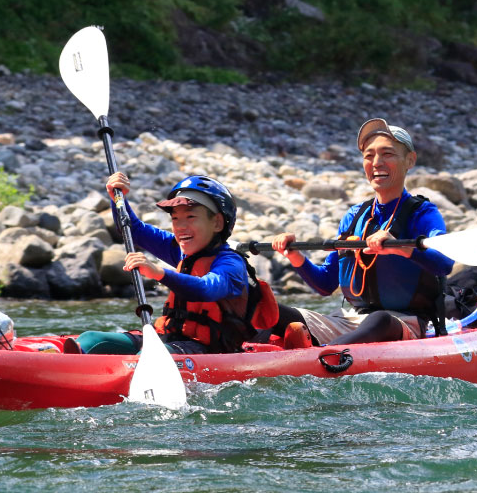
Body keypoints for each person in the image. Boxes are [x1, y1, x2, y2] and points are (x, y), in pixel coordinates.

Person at [271, 118, 454, 345]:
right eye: (369, 156)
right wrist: (295, 257)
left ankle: (323, 353)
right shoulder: (354, 216)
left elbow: (445, 263)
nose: (377, 162)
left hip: (405, 324)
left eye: (387, 154)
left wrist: (403, 248)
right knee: (274, 312)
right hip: (351, 322)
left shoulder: (423, 213)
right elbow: (326, 284)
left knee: (380, 320)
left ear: (410, 160)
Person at [67, 172, 269, 355]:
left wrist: (159, 273)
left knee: (149, 358)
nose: (180, 226)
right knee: (90, 339)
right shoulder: (180, 250)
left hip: (209, 349)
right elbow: (132, 230)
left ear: (217, 222)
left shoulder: (231, 263)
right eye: (175, 218)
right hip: (169, 339)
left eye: (190, 217)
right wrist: (117, 197)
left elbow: (206, 289)